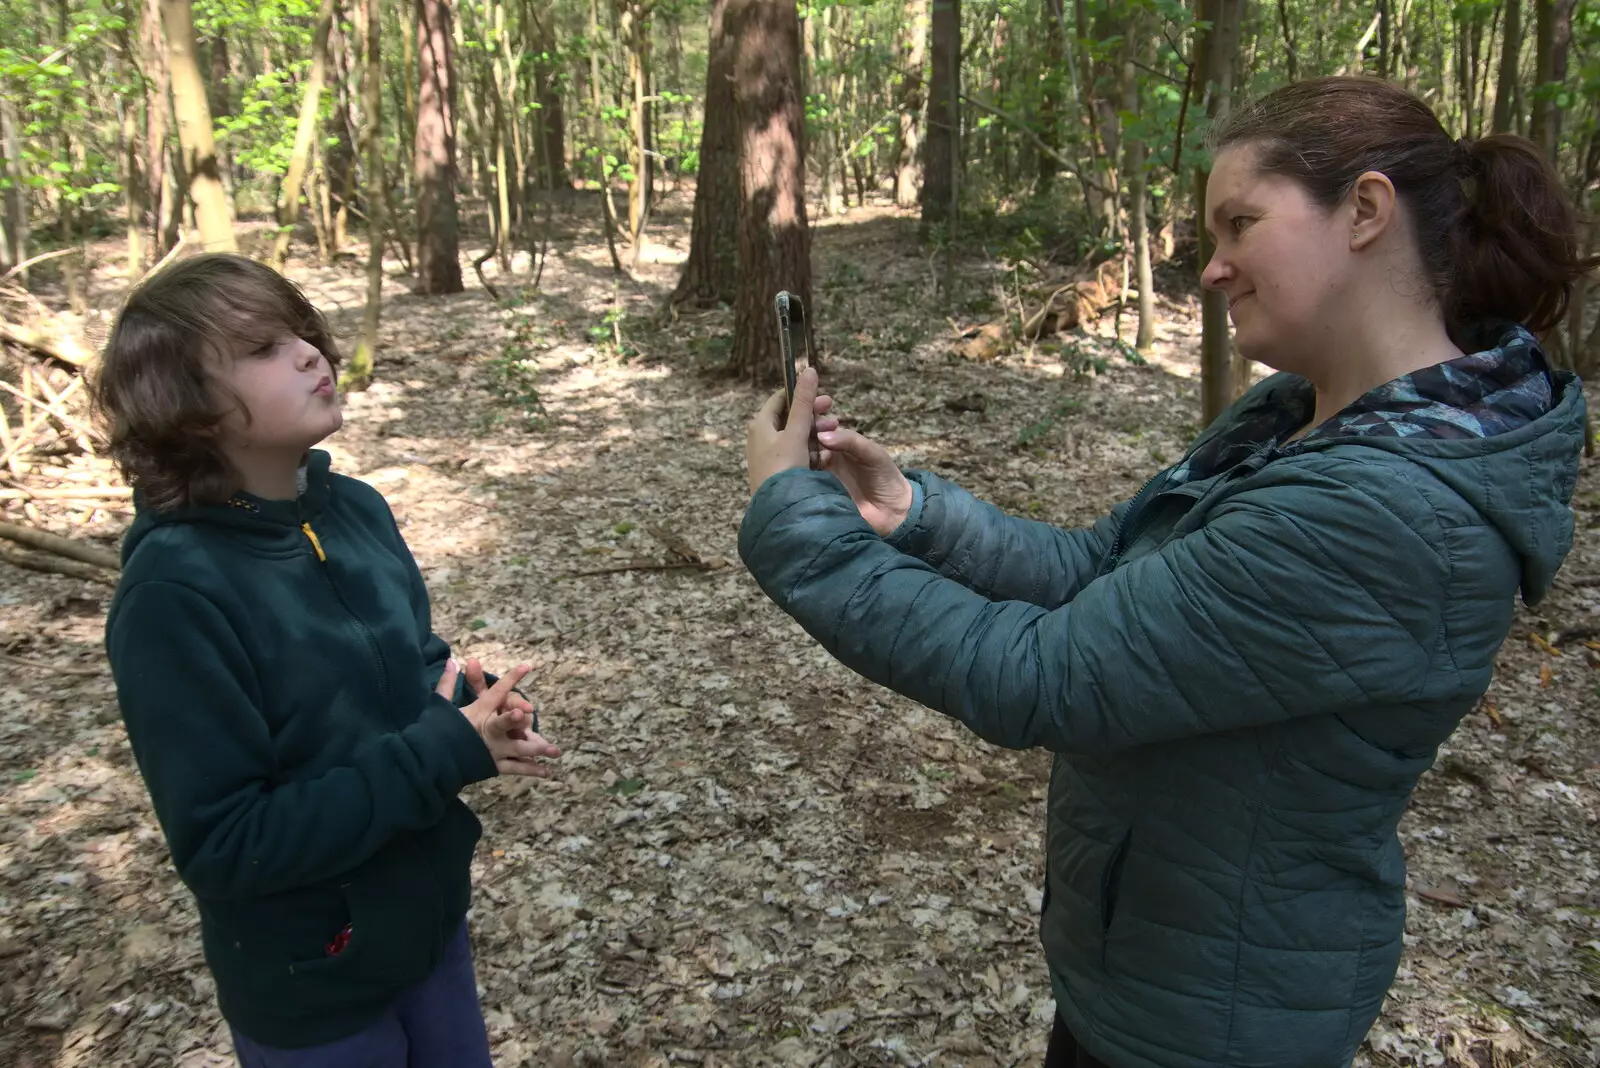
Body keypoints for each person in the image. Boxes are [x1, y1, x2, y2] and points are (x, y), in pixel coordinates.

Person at [741, 77, 1595, 1068]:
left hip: (1215, 1023)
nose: (1212, 269)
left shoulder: (1384, 509)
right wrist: (910, 513)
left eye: (1239, 224)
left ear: (1364, 211)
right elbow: (1099, 570)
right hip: (1158, 968)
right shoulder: (1294, 418)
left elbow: (1041, 676)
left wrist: (790, 513)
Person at [94, 254, 562, 1067]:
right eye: (264, 348)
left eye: (302, 333)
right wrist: (439, 752)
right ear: (188, 407)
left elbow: (415, 668)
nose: (312, 352)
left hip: (427, 926)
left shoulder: (355, 511)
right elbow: (226, 843)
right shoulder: (176, 592)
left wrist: (472, 711)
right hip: (313, 979)